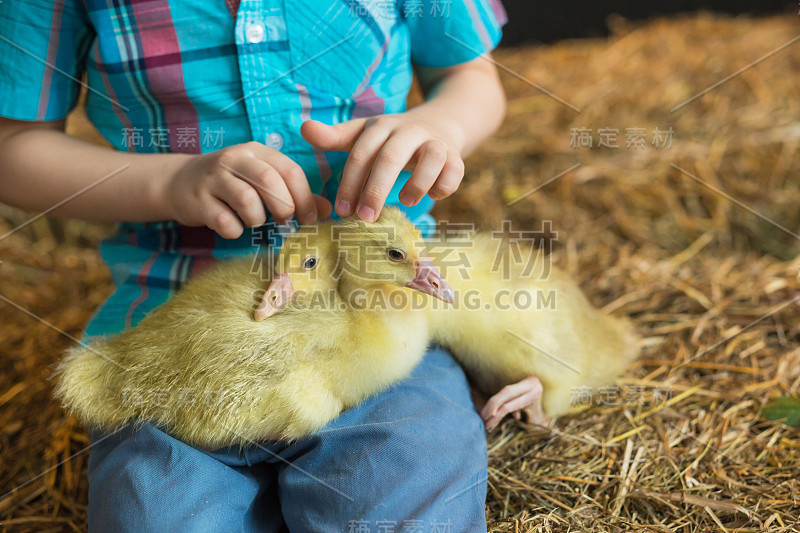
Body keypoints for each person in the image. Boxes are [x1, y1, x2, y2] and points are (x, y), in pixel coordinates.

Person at [0, 0, 507, 530]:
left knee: (406, 493)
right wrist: (168, 183)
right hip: (179, 327)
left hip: (385, 321)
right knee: (155, 514)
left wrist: (436, 125)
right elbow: (12, 145)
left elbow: (470, 76)